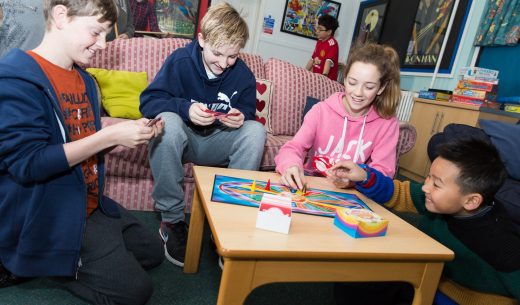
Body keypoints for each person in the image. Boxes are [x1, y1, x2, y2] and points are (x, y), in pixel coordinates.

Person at [0, 0, 165, 303]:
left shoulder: (86, 81)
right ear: (61, 16)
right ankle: (41, 260)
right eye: (96, 32)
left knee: (152, 252)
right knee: (137, 292)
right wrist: (109, 135)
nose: (103, 44)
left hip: (85, 197)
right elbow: (28, 164)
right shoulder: (14, 78)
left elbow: (82, 141)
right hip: (48, 208)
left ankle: (81, 252)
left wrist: (127, 135)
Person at [140, 2, 266, 268]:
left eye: (232, 57)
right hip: (182, 140)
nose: (223, 63)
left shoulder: (243, 75)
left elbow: (248, 113)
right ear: (201, 40)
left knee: (255, 131)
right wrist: (185, 108)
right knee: (168, 122)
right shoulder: (181, 61)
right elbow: (149, 102)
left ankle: (226, 224)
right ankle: (172, 222)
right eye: (217, 53)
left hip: (218, 141)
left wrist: (241, 118)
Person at [329, 139, 520, 304]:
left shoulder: (502, 244)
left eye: (436, 184)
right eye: (428, 177)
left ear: (471, 201)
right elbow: (397, 192)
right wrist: (364, 175)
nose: (426, 187)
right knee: (352, 279)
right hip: (426, 277)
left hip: (457, 299)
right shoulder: (440, 201)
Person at [276, 42, 401, 191]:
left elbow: (384, 173)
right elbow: (293, 148)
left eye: (369, 87)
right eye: (353, 83)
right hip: (312, 186)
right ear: (345, 79)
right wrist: (291, 165)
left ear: (381, 88)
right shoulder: (320, 111)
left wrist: (355, 180)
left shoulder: (387, 123)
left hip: (354, 194)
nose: (358, 92)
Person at [305, 14, 339, 81]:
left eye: (320, 29)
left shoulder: (332, 44)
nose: (317, 31)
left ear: (329, 32)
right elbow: (312, 59)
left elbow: (328, 62)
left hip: (327, 81)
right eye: (317, 28)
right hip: (316, 77)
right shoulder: (319, 41)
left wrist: (323, 77)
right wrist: (304, 71)